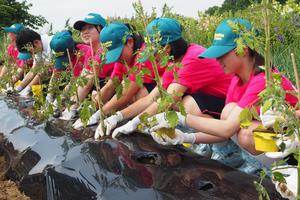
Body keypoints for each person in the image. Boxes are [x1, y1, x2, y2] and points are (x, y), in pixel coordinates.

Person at [146, 18, 298, 165]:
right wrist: (186, 137)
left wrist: (181, 119)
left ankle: (281, 169)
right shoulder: (237, 79)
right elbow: (224, 129)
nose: (217, 60)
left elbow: (226, 130)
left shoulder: (262, 79)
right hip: (282, 134)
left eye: (222, 54)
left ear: (243, 50)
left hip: (294, 138)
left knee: (247, 135)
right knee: (228, 112)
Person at [93, 18, 233, 141]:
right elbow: (152, 98)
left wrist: (135, 123)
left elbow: (166, 100)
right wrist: (118, 116)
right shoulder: (174, 62)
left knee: (186, 104)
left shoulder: (192, 59)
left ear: (167, 48)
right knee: (178, 102)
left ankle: (223, 146)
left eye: (154, 52)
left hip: (230, 104)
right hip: (214, 99)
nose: (153, 57)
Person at [72, 22, 165, 129]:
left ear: (130, 42)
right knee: (117, 90)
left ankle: (151, 120)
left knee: (138, 94)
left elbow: (126, 93)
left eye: (118, 53)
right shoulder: (122, 60)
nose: (116, 59)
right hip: (151, 88)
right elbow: (110, 86)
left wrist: (103, 114)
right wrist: (90, 110)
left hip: (167, 90)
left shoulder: (143, 55)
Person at [59, 13, 115, 120]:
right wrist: (69, 106)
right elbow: (82, 80)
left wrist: (73, 109)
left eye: (90, 28)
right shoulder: (90, 51)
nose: (85, 32)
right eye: (82, 29)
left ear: (101, 29)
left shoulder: (104, 50)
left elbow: (87, 85)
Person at [46, 30, 89, 104]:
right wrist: (49, 95)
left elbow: (74, 81)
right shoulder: (59, 50)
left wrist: (58, 100)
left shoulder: (82, 53)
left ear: (72, 50)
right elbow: (56, 74)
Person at [15, 28, 53, 96]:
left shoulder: (52, 45)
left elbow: (45, 71)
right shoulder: (38, 46)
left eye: (30, 51)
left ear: (36, 42)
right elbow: (34, 70)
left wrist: (28, 88)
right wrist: (19, 88)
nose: (31, 54)